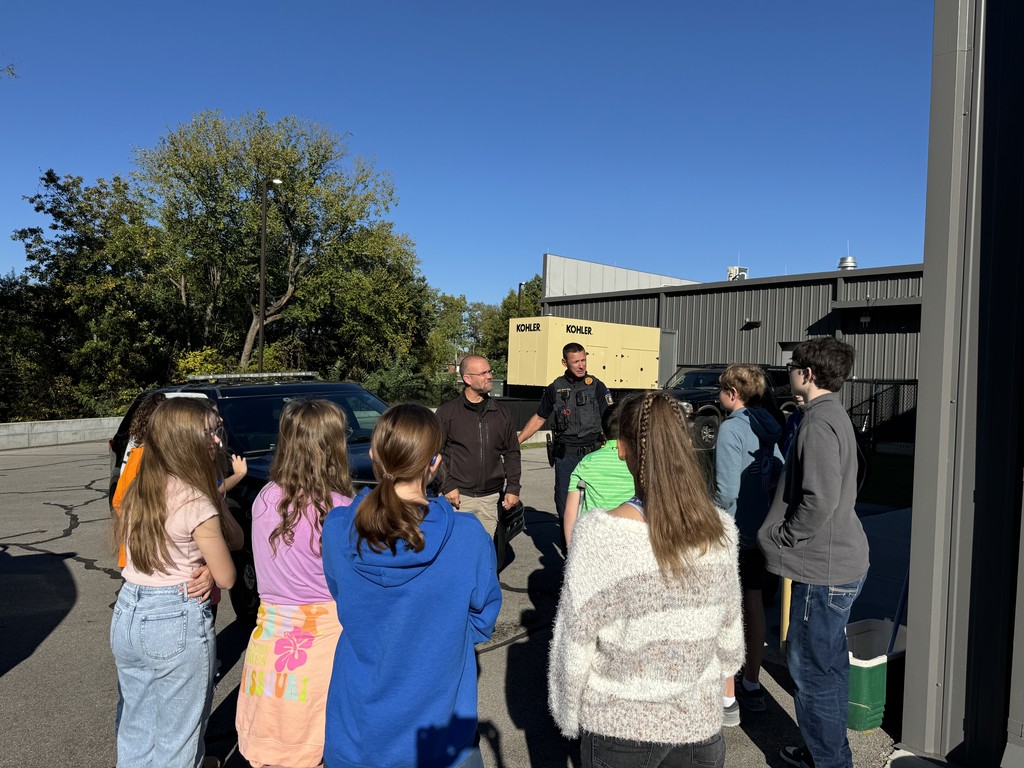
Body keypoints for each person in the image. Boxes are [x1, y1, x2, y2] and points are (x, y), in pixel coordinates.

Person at [548, 391, 744, 768]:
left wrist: (568, 714)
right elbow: (730, 637)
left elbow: (575, 640)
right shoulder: (720, 531)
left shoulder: (599, 534)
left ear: (622, 449)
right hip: (698, 724)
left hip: (621, 726)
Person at [321, 403, 502, 768]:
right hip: (443, 735)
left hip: (357, 734)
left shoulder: (338, 527)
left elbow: (342, 596)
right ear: (434, 463)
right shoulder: (468, 536)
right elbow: (482, 620)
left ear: (373, 455)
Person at [757, 338, 867, 768]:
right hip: (836, 565)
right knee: (829, 669)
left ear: (808, 374)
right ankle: (827, 752)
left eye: (793, 366)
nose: (789, 372)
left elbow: (818, 500)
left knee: (813, 676)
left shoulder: (819, 423)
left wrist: (784, 537)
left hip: (824, 571)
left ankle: (829, 762)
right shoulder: (829, 415)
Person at [110, 397, 237, 768]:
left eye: (218, 430)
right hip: (174, 618)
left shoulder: (140, 488)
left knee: (136, 725)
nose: (217, 440)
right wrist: (212, 568)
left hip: (129, 610)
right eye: (209, 433)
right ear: (183, 439)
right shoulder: (196, 499)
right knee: (178, 739)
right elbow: (228, 575)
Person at [235, 399, 353, 768]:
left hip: (269, 639)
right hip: (321, 643)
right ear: (333, 446)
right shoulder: (340, 509)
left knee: (273, 743)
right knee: (314, 744)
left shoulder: (265, 498)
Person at [713, 364, 784, 722]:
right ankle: (752, 682)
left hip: (736, 530)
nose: (719, 394)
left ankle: (727, 695)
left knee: (727, 611)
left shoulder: (731, 430)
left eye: (722, 389)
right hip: (765, 529)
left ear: (733, 394)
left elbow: (726, 491)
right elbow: (780, 474)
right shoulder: (770, 427)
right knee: (754, 603)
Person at [517, 343, 612, 544]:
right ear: (564, 362)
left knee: (596, 503)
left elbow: (611, 420)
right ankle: (569, 551)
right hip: (566, 456)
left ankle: (595, 546)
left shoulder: (597, 386)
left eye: (583, 360)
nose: (581, 365)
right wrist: (516, 442)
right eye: (576, 361)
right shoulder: (555, 388)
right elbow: (539, 418)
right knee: (563, 503)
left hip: (593, 454)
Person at [435, 354, 522, 565]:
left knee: (483, 553)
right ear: (467, 379)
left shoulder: (501, 413)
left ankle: (481, 596)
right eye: (484, 373)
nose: (490, 376)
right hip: (458, 498)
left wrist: (513, 488)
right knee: (455, 553)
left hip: (490, 498)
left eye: (489, 371)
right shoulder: (447, 413)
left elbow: (511, 452)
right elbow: (436, 453)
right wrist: (448, 486)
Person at [562, 403, 634, 547]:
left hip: (594, 537)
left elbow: (571, 511)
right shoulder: (638, 461)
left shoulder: (587, 462)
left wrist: (571, 547)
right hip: (631, 535)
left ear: (603, 430)